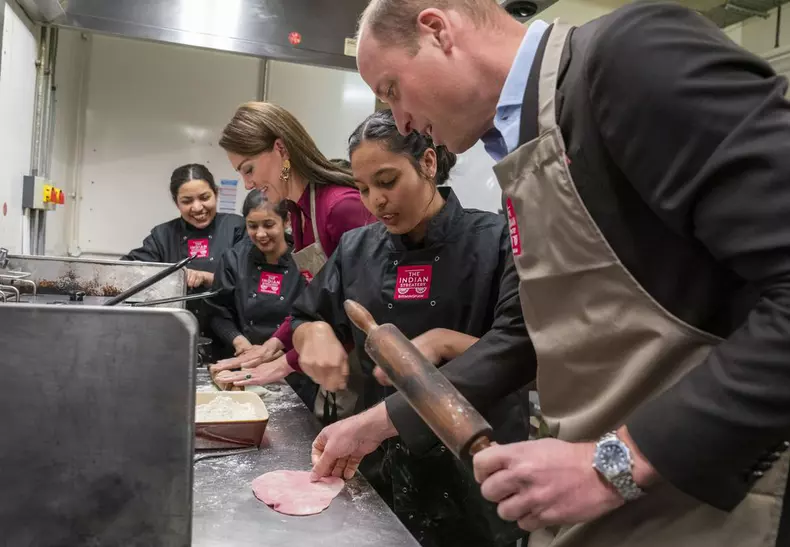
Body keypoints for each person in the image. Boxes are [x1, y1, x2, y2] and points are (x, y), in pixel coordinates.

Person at [309, 1, 790, 546]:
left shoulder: (629, 58)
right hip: (610, 496)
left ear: (438, 29)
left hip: (709, 497)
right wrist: (382, 422)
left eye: (393, 89)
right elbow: (527, 336)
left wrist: (615, 464)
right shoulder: (529, 144)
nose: (401, 122)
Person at [280, 109, 526, 547]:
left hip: (477, 468)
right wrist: (311, 333)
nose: (376, 201)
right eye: (363, 189)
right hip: (379, 462)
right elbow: (306, 314)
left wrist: (446, 343)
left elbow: (525, 353)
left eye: (387, 181)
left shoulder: (496, 241)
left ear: (428, 164)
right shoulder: (357, 248)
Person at [213, 102, 376, 418]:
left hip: (368, 369)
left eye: (248, 169)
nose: (247, 184)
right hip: (336, 372)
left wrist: (283, 364)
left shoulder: (340, 206)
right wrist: (272, 345)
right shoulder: (301, 213)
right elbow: (314, 300)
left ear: (280, 149)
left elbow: (361, 305)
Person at [121, 163, 245, 361]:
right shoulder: (162, 236)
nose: (197, 208)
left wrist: (207, 277)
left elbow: (249, 282)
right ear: (176, 202)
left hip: (232, 343)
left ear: (216, 193)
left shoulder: (236, 228)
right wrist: (173, 277)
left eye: (205, 198)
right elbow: (129, 270)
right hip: (172, 341)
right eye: (187, 201)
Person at [206, 189, 317, 404]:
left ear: (286, 221)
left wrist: (274, 353)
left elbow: (311, 316)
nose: (260, 234)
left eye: (268, 225)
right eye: (252, 226)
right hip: (245, 366)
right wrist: (241, 343)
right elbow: (219, 312)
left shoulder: (305, 259)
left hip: (295, 371)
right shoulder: (234, 259)